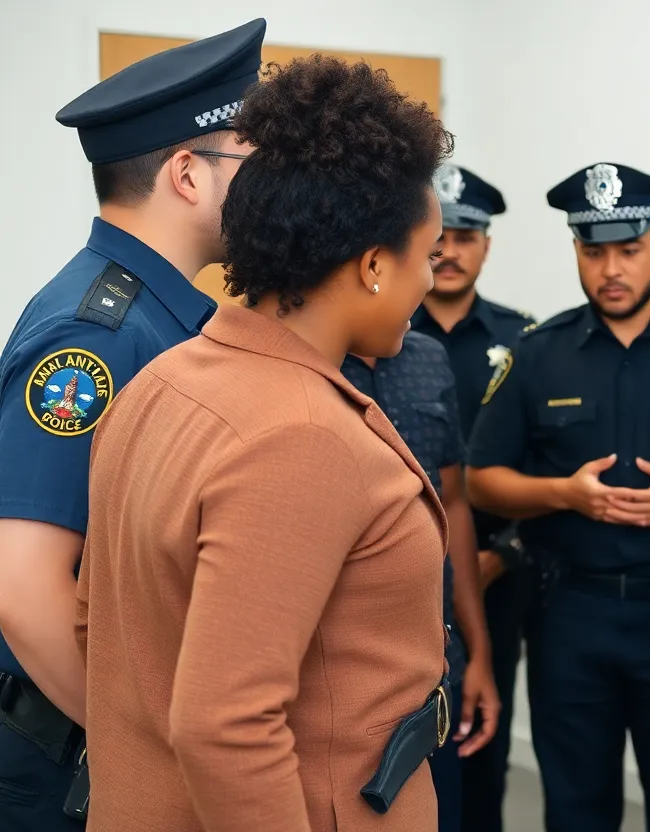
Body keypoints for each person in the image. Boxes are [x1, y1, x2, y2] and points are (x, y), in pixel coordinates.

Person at [74, 55, 455, 831]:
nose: (431, 280)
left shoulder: (165, 378)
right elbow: (228, 726)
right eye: (430, 255)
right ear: (376, 265)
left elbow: (100, 629)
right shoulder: (303, 436)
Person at [0, 19, 265, 829]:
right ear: (187, 174)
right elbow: (23, 586)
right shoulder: (101, 336)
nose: (270, 188)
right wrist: (142, 742)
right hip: (64, 768)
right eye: (253, 164)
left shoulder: (161, 315)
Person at [464, 162, 650, 832]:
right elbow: (481, 480)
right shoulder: (538, 352)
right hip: (569, 616)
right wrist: (564, 494)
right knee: (575, 808)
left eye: (628, 249)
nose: (611, 269)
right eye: (594, 252)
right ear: (576, 253)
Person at [409, 164, 533, 832]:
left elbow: (543, 465)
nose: (449, 250)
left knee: (482, 739)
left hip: (493, 578)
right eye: (440, 235)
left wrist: (503, 554)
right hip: (402, 579)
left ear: (485, 245)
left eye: (466, 235)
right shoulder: (385, 330)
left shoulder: (522, 340)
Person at [341, 330, 501, 832]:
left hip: (435, 664)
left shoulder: (429, 356)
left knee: (441, 813)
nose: (429, 279)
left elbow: (452, 500)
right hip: (346, 675)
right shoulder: (304, 361)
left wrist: (478, 653)